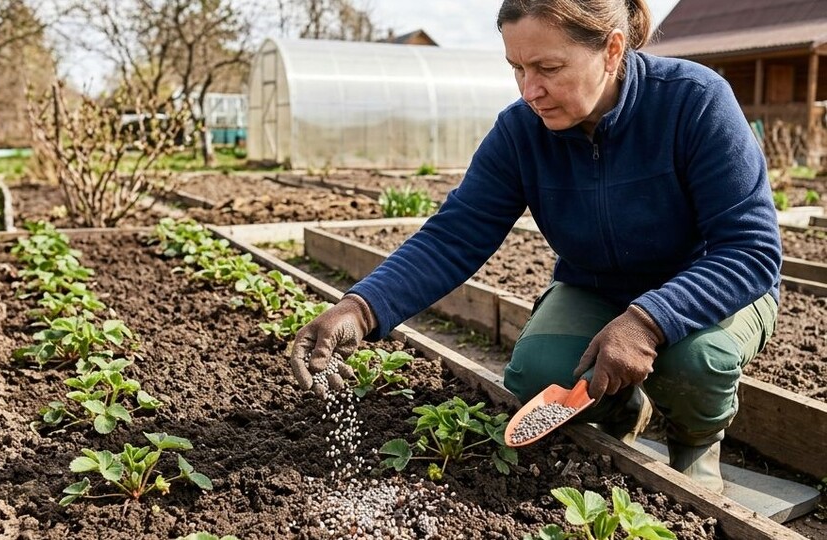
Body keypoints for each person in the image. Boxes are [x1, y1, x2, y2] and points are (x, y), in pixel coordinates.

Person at [288, 0, 781, 494]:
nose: (530, 91)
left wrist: (648, 321)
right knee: (536, 376)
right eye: (517, 69)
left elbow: (750, 249)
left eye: (548, 68)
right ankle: (623, 405)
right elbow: (455, 234)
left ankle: (696, 443)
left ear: (612, 50)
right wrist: (360, 309)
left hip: (709, 286)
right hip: (597, 286)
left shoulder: (692, 102)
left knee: (693, 362)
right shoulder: (521, 132)